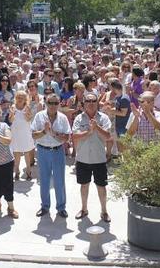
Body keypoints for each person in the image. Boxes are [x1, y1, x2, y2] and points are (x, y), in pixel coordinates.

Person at [72, 92, 112, 222]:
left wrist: (96, 128)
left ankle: (104, 211)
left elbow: (107, 136)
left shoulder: (104, 118)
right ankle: (84, 209)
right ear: (83, 104)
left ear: (97, 103)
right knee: (84, 185)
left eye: (93, 101)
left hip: (99, 158)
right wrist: (88, 132)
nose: (90, 103)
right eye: (88, 101)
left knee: (101, 186)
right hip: (83, 158)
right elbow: (75, 136)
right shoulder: (79, 118)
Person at [31, 93, 72, 218]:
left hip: (57, 151)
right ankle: (45, 206)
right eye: (50, 103)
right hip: (43, 151)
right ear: (46, 103)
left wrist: (53, 134)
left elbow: (66, 137)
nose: (53, 106)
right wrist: (44, 131)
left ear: (59, 104)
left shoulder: (63, 118)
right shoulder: (39, 116)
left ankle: (61, 207)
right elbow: (33, 135)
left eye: (56, 103)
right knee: (44, 180)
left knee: (59, 181)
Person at [9, 91, 35, 180]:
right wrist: (12, 114)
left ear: (25, 99)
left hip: (25, 132)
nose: (20, 99)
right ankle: (17, 170)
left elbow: (28, 119)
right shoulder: (13, 107)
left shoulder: (27, 107)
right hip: (15, 132)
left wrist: (27, 114)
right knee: (16, 152)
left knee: (27, 152)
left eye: (22, 97)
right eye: (18, 97)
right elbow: (11, 120)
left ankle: (28, 170)